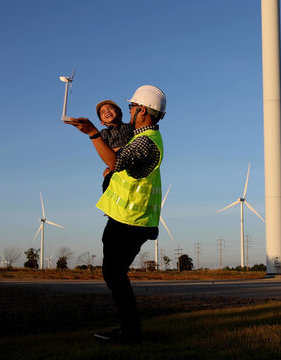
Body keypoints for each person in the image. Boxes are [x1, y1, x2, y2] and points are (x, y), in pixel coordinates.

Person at [63, 85, 167, 344]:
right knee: (114, 272)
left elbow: (114, 163)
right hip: (126, 218)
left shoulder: (145, 140)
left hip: (132, 220)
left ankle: (130, 333)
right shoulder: (140, 137)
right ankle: (129, 331)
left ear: (142, 110)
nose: (129, 110)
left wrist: (91, 133)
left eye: (132, 106)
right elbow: (117, 163)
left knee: (114, 273)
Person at [95, 100, 134, 192]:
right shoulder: (104, 133)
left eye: (109, 109)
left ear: (120, 112)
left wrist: (117, 150)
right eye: (102, 112)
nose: (107, 112)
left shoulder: (131, 127)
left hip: (131, 167)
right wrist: (124, 148)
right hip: (114, 169)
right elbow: (104, 152)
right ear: (102, 122)